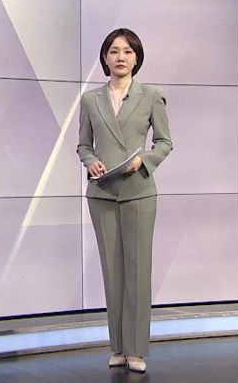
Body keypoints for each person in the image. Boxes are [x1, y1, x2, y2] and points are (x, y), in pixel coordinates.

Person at [77, 28, 173, 373]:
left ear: (137, 58)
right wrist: (91, 161)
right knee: (112, 272)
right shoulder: (91, 100)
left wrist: (143, 160)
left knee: (137, 271)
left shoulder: (152, 96)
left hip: (138, 192)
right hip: (102, 193)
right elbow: (83, 145)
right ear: (105, 58)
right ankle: (118, 347)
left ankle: (136, 350)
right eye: (114, 51)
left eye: (128, 51)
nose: (121, 57)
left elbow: (164, 142)